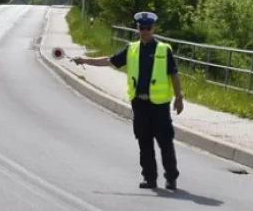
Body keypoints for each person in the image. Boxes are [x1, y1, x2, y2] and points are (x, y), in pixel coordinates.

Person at [71, 11, 185, 190]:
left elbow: (174, 74)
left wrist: (179, 97)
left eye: (148, 28)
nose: (145, 31)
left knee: (165, 141)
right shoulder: (132, 49)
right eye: (142, 28)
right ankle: (149, 178)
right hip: (139, 103)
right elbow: (110, 61)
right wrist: (84, 60)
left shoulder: (163, 49)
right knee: (144, 141)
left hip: (160, 105)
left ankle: (171, 177)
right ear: (138, 29)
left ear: (153, 28)